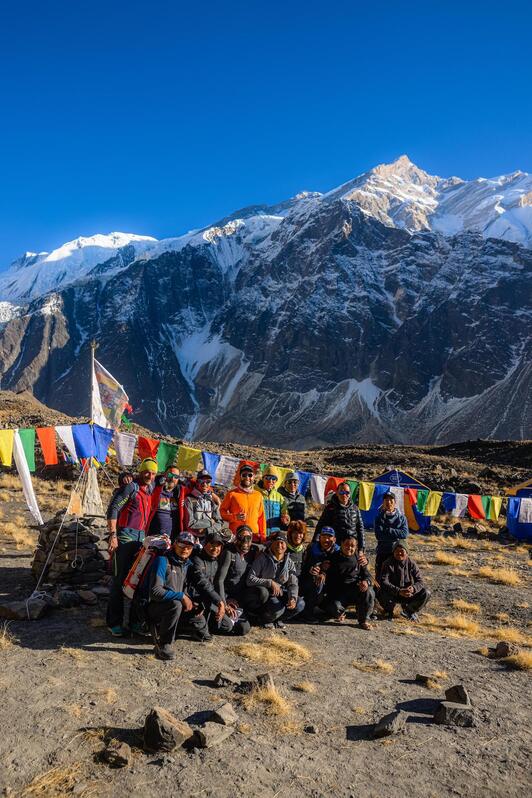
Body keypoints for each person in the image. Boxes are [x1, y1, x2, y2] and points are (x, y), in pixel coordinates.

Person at [145, 532, 220, 659]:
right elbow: (155, 592)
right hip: (154, 608)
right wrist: (181, 596)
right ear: (174, 544)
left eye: (189, 547)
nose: (185, 549)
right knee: (176, 604)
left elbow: (200, 584)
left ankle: (172, 629)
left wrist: (200, 602)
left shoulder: (186, 565)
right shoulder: (162, 561)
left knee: (200, 623)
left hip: (175, 607)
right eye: (181, 544)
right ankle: (164, 644)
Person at [106, 457, 157, 636]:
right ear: (141, 471)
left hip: (141, 538)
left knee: (137, 580)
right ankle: (114, 623)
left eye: (152, 473)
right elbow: (113, 509)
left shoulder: (149, 489)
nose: (149, 475)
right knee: (119, 580)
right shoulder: (131, 487)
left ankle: (135, 622)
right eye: (146, 471)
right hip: (125, 536)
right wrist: (113, 536)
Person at [191, 530, 250, 635]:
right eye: (212, 545)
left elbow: (219, 584)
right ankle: (194, 624)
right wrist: (221, 602)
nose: (215, 548)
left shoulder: (216, 560)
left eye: (218, 546)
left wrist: (226, 600)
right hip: (200, 599)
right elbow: (203, 583)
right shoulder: (197, 560)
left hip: (215, 599)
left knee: (242, 627)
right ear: (205, 545)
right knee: (226, 625)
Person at [244, 531, 304, 628]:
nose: (279, 546)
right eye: (276, 542)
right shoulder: (262, 558)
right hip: (266, 593)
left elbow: (293, 583)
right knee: (276, 607)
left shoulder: (289, 562)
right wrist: (270, 582)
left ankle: (278, 619)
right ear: (271, 544)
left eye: (282, 543)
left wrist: (293, 597)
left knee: (300, 604)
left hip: (281, 592)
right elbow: (250, 579)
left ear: (286, 545)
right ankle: (261, 620)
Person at [321, 534, 374, 629]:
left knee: (369, 591)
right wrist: (323, 571)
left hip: (355, 590)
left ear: (356, 547)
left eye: (352, 546)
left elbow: (368, 576)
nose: (349, 548)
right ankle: (341, 613)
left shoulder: (359, 558)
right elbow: (324, 573)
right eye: (347, 545)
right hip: (338, 594)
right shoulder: (333, 557)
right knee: (334, 608)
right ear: (341, 544)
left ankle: (364, 620)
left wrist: (366, 581)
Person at [378, 541, 430, 621]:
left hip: (408, 593)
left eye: (402, 551)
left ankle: (409, 611)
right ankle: (388, 611)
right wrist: (398, 591)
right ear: (393, 552)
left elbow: (420, 581)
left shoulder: (411, 563)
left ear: (407, 552)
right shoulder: (387, 563)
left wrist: (413, 588)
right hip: (393, 593)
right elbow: (383, 581)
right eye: (396, 551)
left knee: (426, 592)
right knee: (380, 590)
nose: (399, 553)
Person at [299, 526, 339, 621]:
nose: (326, 539)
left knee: (336, 610)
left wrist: (325, 573)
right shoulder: (312, 548)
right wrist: (314, 569)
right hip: (312, 582)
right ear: (319, 537)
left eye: (329, 537)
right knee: (316, 581)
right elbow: (305, 566)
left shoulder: (339, 551)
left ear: (334, 539)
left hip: (333, 585)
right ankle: (307, 613)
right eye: (323, 536)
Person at [215, 525, 258, 609]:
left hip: (242, 595)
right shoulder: (229, 553)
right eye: (242, 537)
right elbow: (219, 580)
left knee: (262, 593)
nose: (245, 540)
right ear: (236, 538)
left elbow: (266, 547)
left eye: (248, 537)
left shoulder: (253, 551)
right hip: (227, 595)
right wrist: (224, 602)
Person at [220, 464, 266, 543]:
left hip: (253, 536)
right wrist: (234, 517)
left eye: (250, 475)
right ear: (240, 477)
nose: (247, 477)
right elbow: (221, 512)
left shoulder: (258, 495)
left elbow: (261, 517)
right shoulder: (232, 494)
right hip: (236, 536)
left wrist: (263, 535)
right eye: (244, 475)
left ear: (254, 477)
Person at [315, 482, 365, 550]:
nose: (344, 495)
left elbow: (360, 529)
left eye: (347, 492)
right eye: (341, 492)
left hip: (352, 546)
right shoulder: (330, 508)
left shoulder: (355, 508)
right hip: (336, 547)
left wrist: (362, 548)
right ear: (337, 493)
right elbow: (321, 525)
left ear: (350, 494)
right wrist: (314, 542)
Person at [183, 468, 226, 544]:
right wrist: (210, 522)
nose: (204, 484)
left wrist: (207, 530)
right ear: (197, 482)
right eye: (201, 481)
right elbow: (190, 523)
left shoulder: (212, 500)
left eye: (208, 482)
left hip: (209, 538)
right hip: (192, 539)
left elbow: (219, 521)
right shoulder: (189, 499)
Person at [374, 491, 409, 582]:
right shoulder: (379, 517)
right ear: (383, 502)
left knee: (397, 576)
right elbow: (379, 535)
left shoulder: (402, 518)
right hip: (383, 550)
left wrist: (388, 530)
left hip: (398, 552)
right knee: (380, 576)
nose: (388, 502)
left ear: (395, 502)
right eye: (386, 500)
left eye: (391, 500)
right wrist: (396, 534)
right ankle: (378, 594)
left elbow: (404, 534)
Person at [146, 465, 183, 540]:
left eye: (176, 477)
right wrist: (124, 477)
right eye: (170, 475)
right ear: (164, 475)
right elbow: (143, 480)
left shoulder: (180, 493)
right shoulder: (155, 488)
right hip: (154, 537)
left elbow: (199, 485)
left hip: (172, 539)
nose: (172, 478)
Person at [255, 465, 289, 536]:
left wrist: (286, 519)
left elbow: (284, 513)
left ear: (276, 481)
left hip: (274, 535)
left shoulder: (279, 497)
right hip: (258, 533)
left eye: (273, 479)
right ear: (262, 478)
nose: (270, 481)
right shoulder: (254, 493)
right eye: (267, 478)